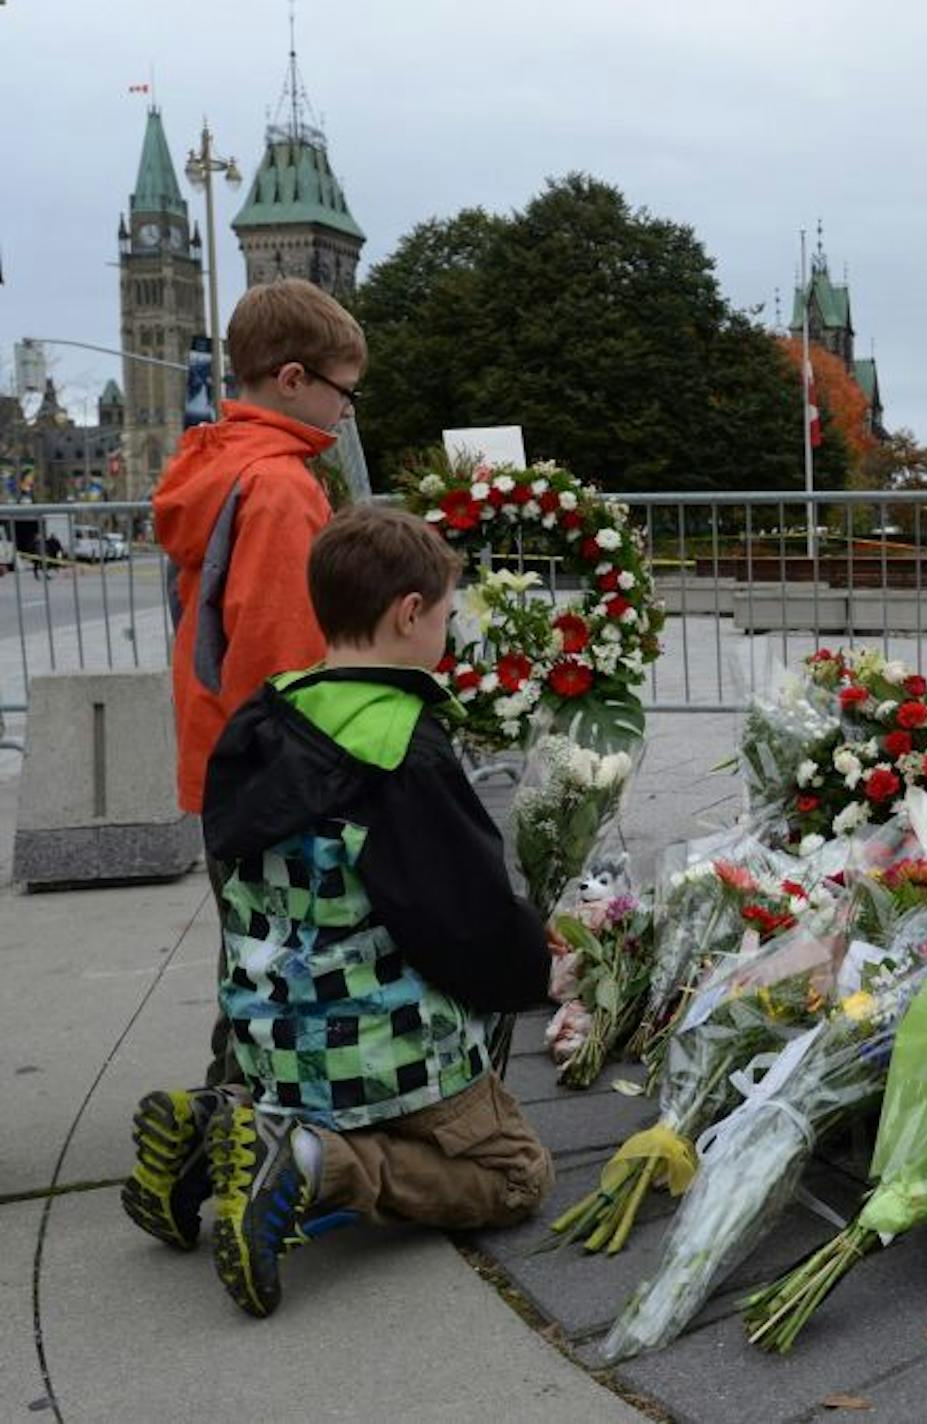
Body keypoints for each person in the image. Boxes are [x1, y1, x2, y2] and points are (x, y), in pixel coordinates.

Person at [120, 505, 554, 1318]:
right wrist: (536, 967)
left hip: (272, 1040)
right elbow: (464, 922)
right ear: (410, 612)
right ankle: (316, 1163)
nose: (448, 638)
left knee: (318, 1070)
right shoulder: (402, 747)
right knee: (518, 1175)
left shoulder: (266, 718)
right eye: (447, 618)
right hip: (381, 1050)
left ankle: (211, 1123)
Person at [152, 278, 366, 1084]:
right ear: (293, 380)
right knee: (277, 959)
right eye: (344, 391)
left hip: (223, 751)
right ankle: (230, 1121)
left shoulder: (220, 463)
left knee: (250, 944)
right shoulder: (278, 486)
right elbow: (286, 651)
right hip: (273, 765)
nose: (348, 410)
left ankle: (231, 1107)